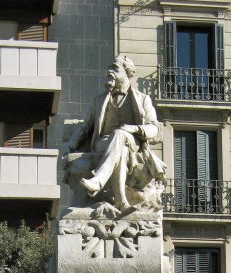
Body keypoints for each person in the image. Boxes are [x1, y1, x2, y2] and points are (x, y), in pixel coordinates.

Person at [64, 54, 165, 212]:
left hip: (133, 143)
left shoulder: (142, 99)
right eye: (109, 68)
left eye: (115, 68)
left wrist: (133, 129)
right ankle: (121, 202)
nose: (110, 71)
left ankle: (98, 180)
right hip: (104, 144)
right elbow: (85, 127)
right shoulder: (99, 100)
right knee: (120, 146)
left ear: (127, 72)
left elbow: (155, 128)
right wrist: (70, 146)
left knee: (120, 135)